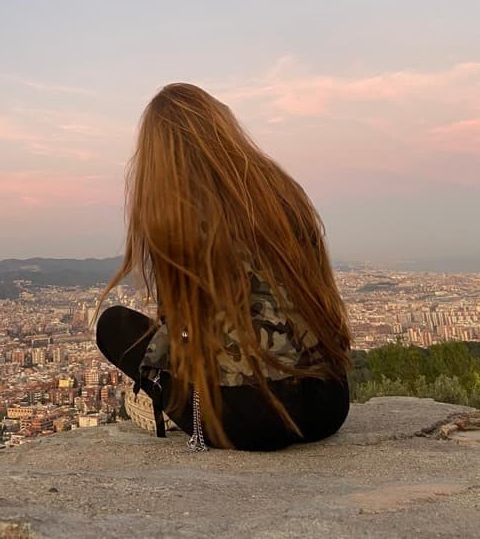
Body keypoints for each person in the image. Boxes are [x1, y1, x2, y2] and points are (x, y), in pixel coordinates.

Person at [96, 83, 351, 451]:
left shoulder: (178, 213)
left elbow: (183, 329)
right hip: (330, 403)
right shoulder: (281, 189)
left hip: (252, 418)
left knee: (114, 324)